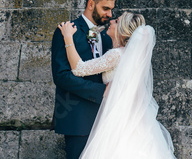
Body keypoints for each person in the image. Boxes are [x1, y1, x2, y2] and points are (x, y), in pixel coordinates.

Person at [58, 12, 176, 159]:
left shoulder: (116, 55)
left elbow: (79, 68)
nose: (111, 21)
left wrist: (68, 37)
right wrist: (93, 32)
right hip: (131, 117)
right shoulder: (131, 56)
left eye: (116, 21)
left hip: (114, 116)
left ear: (121, 28)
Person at [51, 0, 116, 159]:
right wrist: (101, 91)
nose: (109, 14)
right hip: (77, 118)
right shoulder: (66, 31)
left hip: (105, 118)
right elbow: (61, 76)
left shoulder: (105, 36)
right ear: (90, 5)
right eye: (106, 8)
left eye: (111, 10)